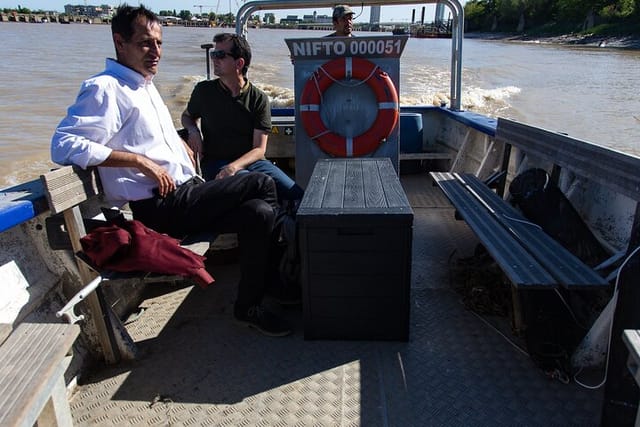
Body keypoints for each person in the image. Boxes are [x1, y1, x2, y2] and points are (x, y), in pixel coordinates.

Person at [51, 4, 291, 337]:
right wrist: (139, 162)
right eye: (145, 43)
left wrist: (188, 136)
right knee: (262, 183)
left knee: (260, 213)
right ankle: (280, 283)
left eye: (159, 43)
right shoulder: (105, 88)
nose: (156, 52)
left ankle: (248, 305)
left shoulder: (144, 86)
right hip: (163, 206)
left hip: (187, 194)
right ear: (120, 43)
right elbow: (64, 145)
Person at [181, 33, 304, 205]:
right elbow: (187, 116)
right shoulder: (204, 91)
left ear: (239, 64)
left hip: (252, 162)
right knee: (251, 186)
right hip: (216, 162)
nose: (214, 59)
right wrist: (193, 130)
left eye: (220, 55)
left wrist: (234, 167)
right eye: (213, 54)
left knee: (297, 195)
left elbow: (259, 149)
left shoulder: (258, 98)